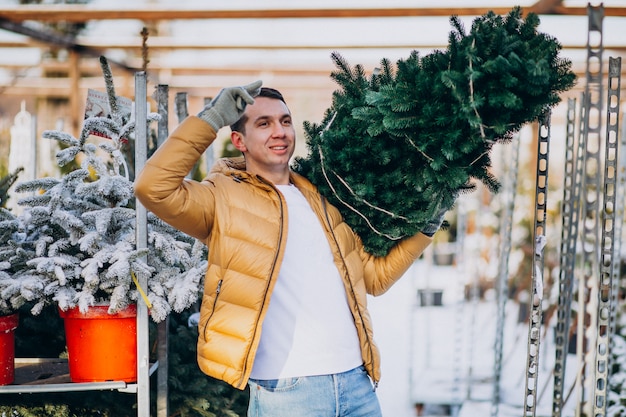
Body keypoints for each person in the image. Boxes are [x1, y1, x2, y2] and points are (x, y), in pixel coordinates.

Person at [134, 81, 450, 417]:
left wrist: (426, 230)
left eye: (285, 121)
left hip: (356, 384)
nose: (279, 132)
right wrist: (212, 118)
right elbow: (152, 188)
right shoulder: (221, 197)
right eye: (264, 123)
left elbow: (374, 278)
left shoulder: (321, 199)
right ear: (238, 140)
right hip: (287, 394)